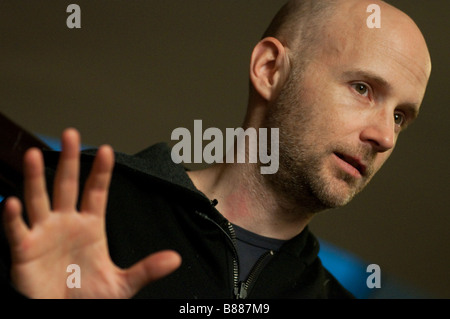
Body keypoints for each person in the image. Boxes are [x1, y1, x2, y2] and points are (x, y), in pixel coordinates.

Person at [0, 0, 431, 299]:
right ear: (269, 69)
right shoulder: (74, 209)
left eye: (400, 117)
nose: (386, 137)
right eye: (362, 88)